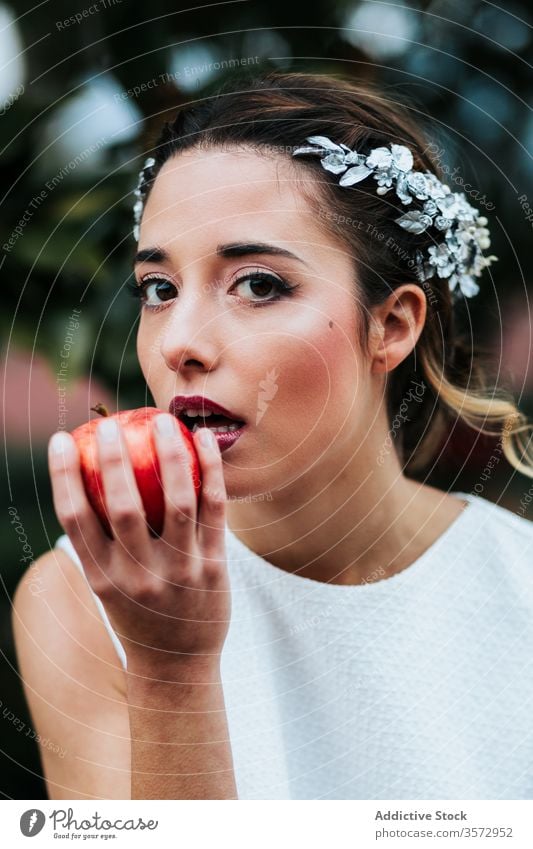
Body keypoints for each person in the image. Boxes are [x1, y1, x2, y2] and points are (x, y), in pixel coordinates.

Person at [12, 70, 533, 801]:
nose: (179, 343)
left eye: (258, 284)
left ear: (391, 325)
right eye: (158, 289)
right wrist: (170, 668)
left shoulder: (519, 591)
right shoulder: (82, 599)